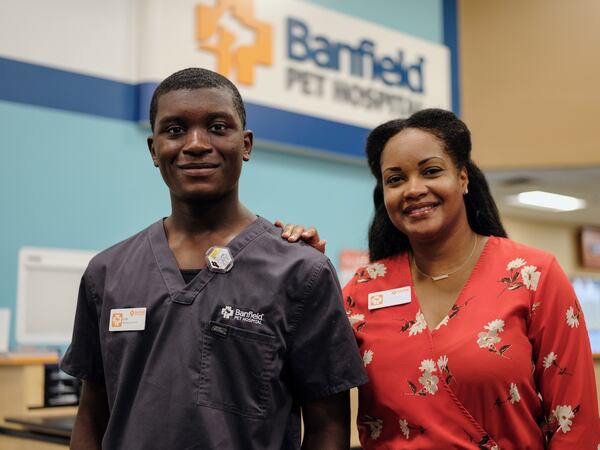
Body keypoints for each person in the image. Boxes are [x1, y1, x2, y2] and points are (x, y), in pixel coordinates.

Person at [60, 67, 367, 450]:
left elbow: (328, 427)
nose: (196, 144)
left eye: (218, 127)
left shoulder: (301, 271)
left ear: (246, 144)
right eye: (175, 131)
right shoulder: (106, 273)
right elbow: (91, 415)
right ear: (154, 150)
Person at [279, 108, 600, 449]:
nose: (413, 189)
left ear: (463, 178)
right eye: (395, 179)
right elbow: (302, 366)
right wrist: (303, 269)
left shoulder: (532, 275)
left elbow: (574, 421)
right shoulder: (365, 287)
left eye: (431, 171)